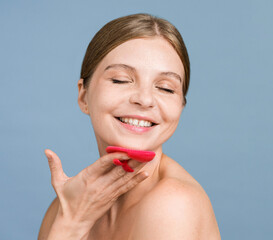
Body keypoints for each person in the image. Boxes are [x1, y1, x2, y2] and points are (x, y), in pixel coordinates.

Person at [38, 13, 221, 240]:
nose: (144, 99)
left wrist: (67, 229)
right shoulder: (69, 206)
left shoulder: (173, 204)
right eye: (121, 80)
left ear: (181, 106)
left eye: (165, 88)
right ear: (84, 96)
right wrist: (70, 223)